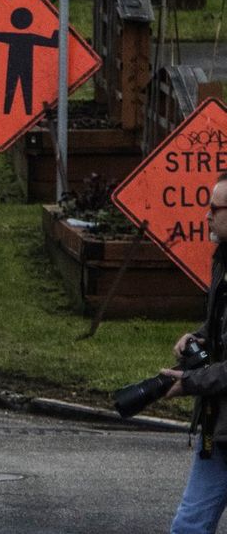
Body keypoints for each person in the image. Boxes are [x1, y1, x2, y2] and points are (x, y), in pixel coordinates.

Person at [161, 174, 227, 534]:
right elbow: (220, 330)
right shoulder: (222, 262)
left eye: (214, 209)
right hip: (217, 429)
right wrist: (197, 337)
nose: (206, 216)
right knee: (189, 527)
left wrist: (189, 383)